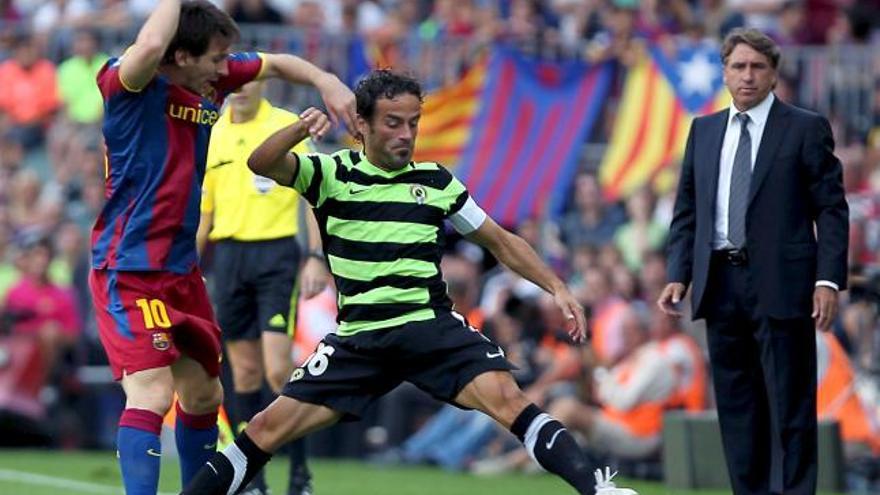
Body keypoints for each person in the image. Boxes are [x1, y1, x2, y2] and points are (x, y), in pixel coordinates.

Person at [180, 70, 637, 495]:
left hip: (429, 329)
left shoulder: (436, 182)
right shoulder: (331, 174)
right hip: (360, 339)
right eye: (393, 123)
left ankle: (599, 490)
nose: (405, 135)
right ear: (361, 124)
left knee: (508, 400)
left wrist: (556, 286)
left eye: (413, 123)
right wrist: (302, 129)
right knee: (263, 429)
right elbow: (262, 162)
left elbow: (499, 240)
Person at [87, 1, 355, 494]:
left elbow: (276, 63)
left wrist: (326, 80)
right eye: (215, 57)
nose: (224, 68)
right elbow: (148, 45)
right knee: (152, 390)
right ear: (182, 56)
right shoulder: (127, 83)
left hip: (183, 272)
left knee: (205, 394)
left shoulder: (211, 80)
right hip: (129, 267)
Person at [658, 28, 848, 495]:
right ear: (724, 73)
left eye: (757, 67)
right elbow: (687, 211)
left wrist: (827, 280)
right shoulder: (702, 131)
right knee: (738, 408)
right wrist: (677, 274)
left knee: (791, 405)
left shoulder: (804, 127)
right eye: (739, 66)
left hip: (784, 285)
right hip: (720, 283)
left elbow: (832, 208)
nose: (748, 76)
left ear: (774, 74)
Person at [196, 79, 330, 495]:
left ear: (263, 82)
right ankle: (252, 477)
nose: (238, 88)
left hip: (276, 257)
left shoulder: (284, 125)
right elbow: (205, 211)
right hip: (230, 258)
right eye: (230, 80)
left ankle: (300, 470)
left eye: (247, 79)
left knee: (276, 367)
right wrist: (186, 267)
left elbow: (312, 195)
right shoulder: (213, 132)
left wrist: (314, 256)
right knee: (245, 373)